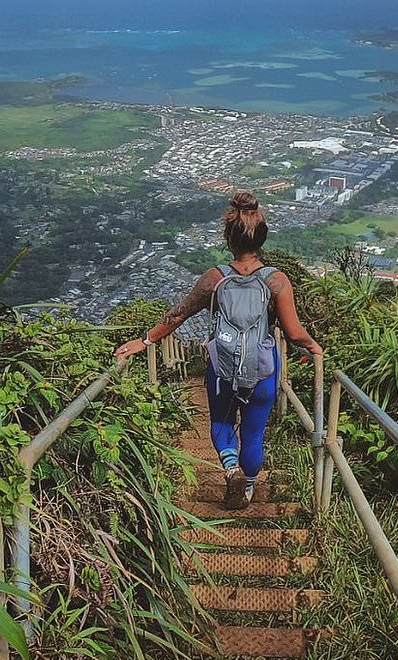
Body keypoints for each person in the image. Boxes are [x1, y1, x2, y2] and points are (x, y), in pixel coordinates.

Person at [114, 191, 322, 509]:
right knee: (253, 433)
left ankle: (230, 467)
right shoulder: (276, 281)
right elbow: (293, 333)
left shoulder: (215, 278)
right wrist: (315, 348)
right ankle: (249, 487)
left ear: (229, 238)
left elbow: (177, 315)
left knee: (222, 423)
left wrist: (144, 341)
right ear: (262, 238)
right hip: (263, 369)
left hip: (222, 369)